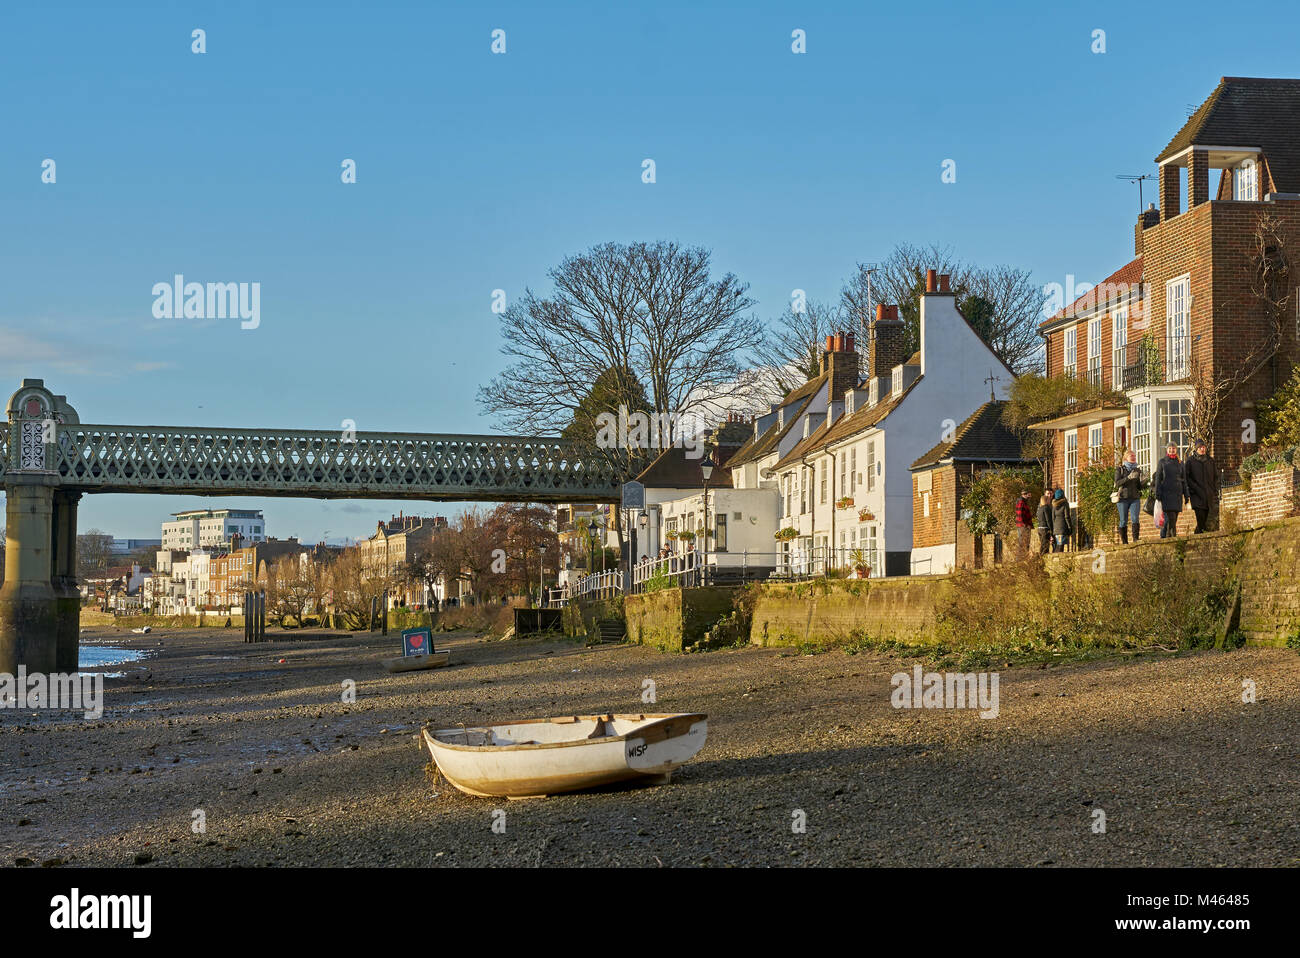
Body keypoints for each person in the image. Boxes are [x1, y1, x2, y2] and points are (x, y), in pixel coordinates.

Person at [1152, 443, 1189, 538]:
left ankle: (1170, 537)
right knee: (1168, 519)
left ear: (1176, 450)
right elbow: (1158, 478)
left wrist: (1186, 495)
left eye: (1173, 448)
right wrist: (1157, 492)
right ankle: (1166, 537)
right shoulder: (1162, 462)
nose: (1172, 450)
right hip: (1166, 494)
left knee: (1174, 519)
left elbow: (1184, 480)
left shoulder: (1180, 463)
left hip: (1177, 495)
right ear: (1167, 450)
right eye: (1170, 448)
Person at [1186, 439, 1217, 533]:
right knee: (1200, 516)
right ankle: (1200, 535)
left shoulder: (1210, 461)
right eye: (1200, 447)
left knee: (1205, 517)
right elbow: (1187, 477)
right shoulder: (1190, 461)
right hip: (1196, 494)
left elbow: (1215, 476)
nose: (1202, 449)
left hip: (1208, 494)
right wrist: (1194, 487)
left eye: (1203, 447)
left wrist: (1214, 488)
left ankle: (1198, 534)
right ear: (1196, 449)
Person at [1114, 448, 1143, 543]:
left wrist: (1143, 482)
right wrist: (1128, 478)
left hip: (1135, 497)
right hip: (1123, 498)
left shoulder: (1137, 470)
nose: (1134, 457)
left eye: (1134, 456)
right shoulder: (1120, 469)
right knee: (1123, 520)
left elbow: (1139, 486)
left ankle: (1135, 539)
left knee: (1135, 518)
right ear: (1126, 458)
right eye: (1131, 456)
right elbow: (1117, 483)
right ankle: (1125, 542)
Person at [1014, 489, 1035, 558]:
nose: (1030, 496)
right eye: (1029, 494)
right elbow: (1020, 515)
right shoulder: (1021, 502)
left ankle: (1023, 559)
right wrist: (1025, 525)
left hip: (1024, 526)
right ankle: (1020, 560)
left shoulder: (1024, 502)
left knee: (1025, 544)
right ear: (1025, 494)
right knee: (1023, 544)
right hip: (1023, 527)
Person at [1051, 488, 1073, 552]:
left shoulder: (1054, 504)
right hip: (1062, 527)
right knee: (1060, 546)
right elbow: (1067, 516)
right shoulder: (1065, 504)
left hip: (1056, 528)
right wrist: (1070, 526)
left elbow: (1053, 518)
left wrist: (1054, 528)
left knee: (1058, 545)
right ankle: (1057, 560)